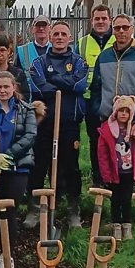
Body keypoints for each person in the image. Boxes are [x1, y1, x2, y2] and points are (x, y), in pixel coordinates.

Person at [88, 13, 135, 236]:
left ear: (132, 29)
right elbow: (97, 87)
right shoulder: (105, 56)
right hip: (110, 122)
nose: (120, 32)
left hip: (134, 122)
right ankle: (117, 217)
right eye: (117, 28)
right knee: (113, 166)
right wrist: (99, 111)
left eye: (125, 28)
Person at [28, 21, 88, 228]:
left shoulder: (79, 62)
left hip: (70, 123)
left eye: (64, 34)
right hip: (44, 123)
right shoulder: (39, 62)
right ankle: (34, 207)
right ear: (50, 37)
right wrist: (65, 82)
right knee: (38, 165)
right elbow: (38, 86)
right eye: (56, 34)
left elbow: (80, 85)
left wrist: (54, 79)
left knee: (71, 167)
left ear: (70, 37)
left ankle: (73, 209)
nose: (60, 37)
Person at [0, 70, 36, 268]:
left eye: (6, 87)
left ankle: (8, 256)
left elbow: (30, 135)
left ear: (13, 87)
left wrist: (7, 155)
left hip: (17, 167)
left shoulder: (26, 110)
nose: (3, 90)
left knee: (9, 211)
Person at [97, 95, 135, 241]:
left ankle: (127, 226)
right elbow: (102, 155)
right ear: (115, 112)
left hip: (129, 173)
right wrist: (105, 174)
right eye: (121, 110)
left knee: (127, 200)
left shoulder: (132, 131)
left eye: (127, 111)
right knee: (115, 200)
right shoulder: (106, 131)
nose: (123, 114)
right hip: (114, 173)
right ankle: (116, 226)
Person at [78, 4, 116, 187]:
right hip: (90, 97)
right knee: (96, 139)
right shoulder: (82, 42)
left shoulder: (118, 39)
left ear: (110, 20)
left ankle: (115, 178)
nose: (100, 22)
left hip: (114, 98)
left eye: (104, 18)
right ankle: (98, 179)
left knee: (116, 139)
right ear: (91, 21)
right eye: (97, 19)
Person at [14, 15, 51, 100]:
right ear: (32, 29)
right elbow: (16, 77)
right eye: (38, 26)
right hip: (29, 101)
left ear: (50, 28)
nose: (41, 28)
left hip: (51, 99)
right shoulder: (22, 51)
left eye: (44, 26)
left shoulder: (56, 49)